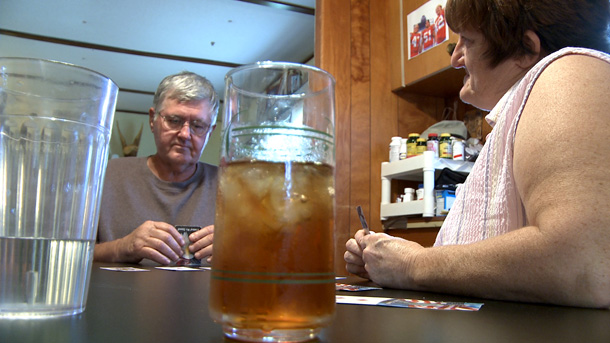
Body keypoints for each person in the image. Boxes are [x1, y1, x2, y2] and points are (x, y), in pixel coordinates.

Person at [345, 0, 610, 308]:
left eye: (467, 41)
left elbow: (586, 262)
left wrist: (413, 264)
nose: (456, 58)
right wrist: (388, 261)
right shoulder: (514, 118)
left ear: (526, 48)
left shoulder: (570, 70)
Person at [94, 71, 220, 265]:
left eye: (198, 125)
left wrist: (238, 250)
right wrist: (122, 247)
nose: (185, 134)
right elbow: (66, 254)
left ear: (210, 132)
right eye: (175, 120)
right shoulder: (107, 175)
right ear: (153, 120)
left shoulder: (231, 186)